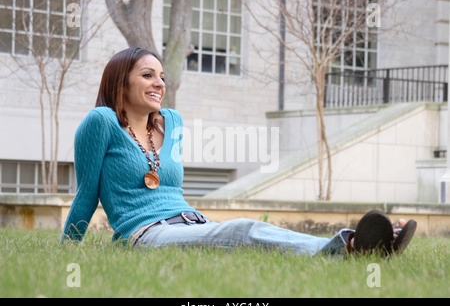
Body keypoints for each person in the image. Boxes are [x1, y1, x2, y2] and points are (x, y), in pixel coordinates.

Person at [60, 47, 416, 257]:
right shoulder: (101, 121)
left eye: (163, 77)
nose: (160, 84)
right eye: (148, 75)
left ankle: (373, 245)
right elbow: (86, 194)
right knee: (246, 229)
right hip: (145, 234)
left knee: (242, 236)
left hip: (191, 220)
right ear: (120, 81)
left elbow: (173, 190)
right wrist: (66, 254)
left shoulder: (172, 121)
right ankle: (348, 245)